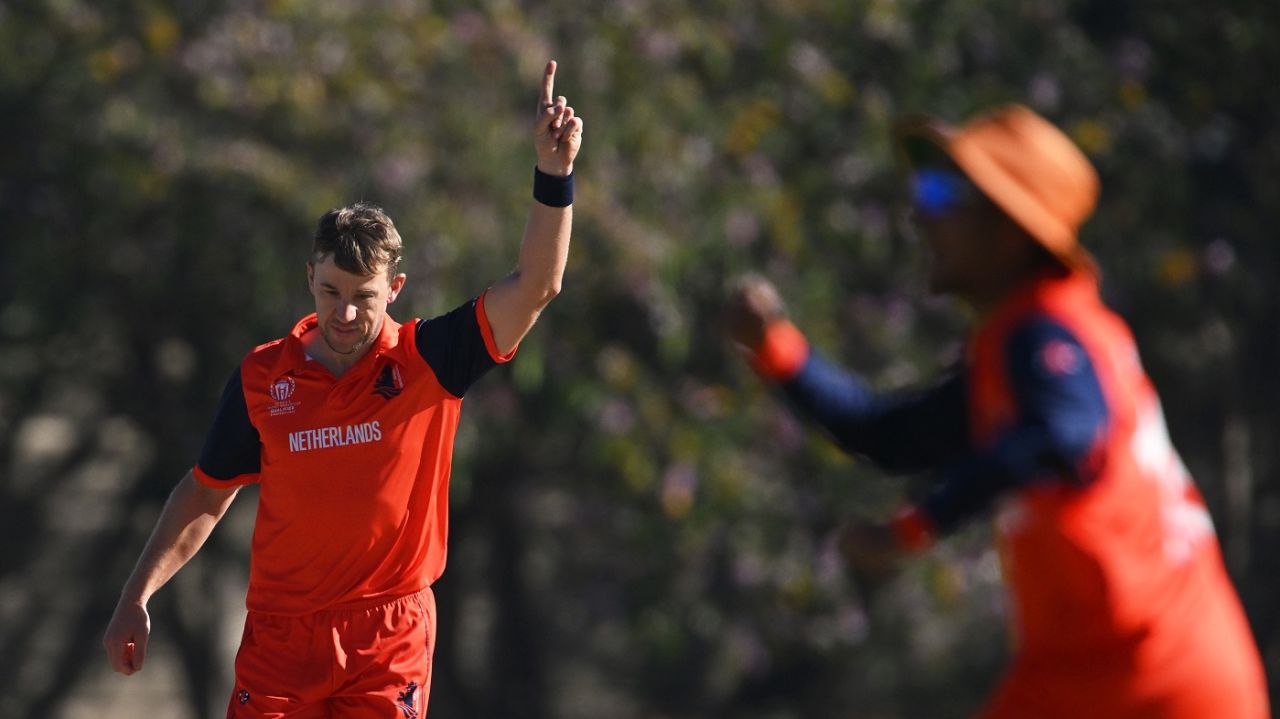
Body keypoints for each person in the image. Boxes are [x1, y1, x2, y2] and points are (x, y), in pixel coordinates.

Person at [726, 104, 1268, 718]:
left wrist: (917, 526)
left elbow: (1064, 436)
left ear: (1010, 231)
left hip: (1153, 677)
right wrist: (780, 351)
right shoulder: (1020, 346)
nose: (920, 214)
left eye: (942, 194)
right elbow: (892, 436)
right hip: (1088, 675)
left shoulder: (1048, 334)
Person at [102, 60, 583, 717]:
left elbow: (537, 285)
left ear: (395, 290)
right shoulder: (263, 377)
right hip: (280, 637)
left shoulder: (429, 359)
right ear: (309, 279)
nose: (346, 314)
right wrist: (138, 594)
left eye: (363, 297)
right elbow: (205, 492)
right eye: (331, 292)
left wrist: (553, 176)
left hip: (386, 635)